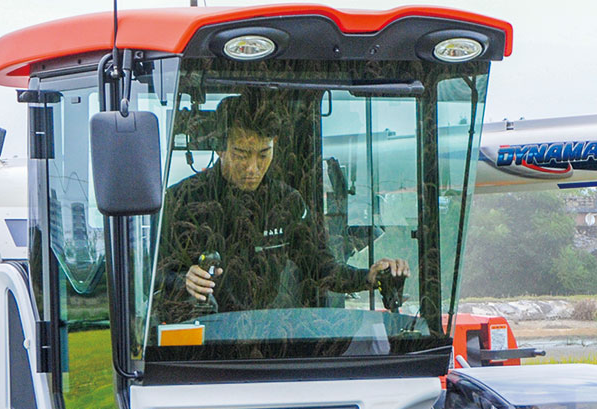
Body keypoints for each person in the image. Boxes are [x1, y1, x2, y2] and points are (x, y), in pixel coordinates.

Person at [156, 91, 408, 318]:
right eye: (241, 155)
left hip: (268, 338)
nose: (253, 169)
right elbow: (149, 275)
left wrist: (369, 277)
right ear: (220, 147)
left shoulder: (286, 203)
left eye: (264, 154)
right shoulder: (183, 200)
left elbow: (321, 268)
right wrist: (181, 280)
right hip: (200, 339)